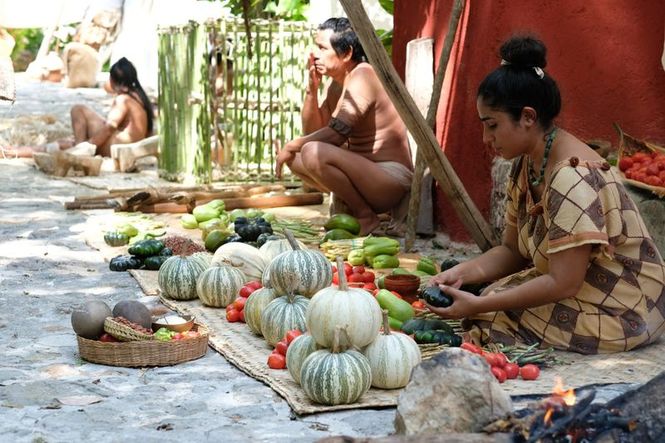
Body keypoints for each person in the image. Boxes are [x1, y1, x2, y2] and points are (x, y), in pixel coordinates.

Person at [427, 35, 665, 354]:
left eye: (492, 125)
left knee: (488, 318)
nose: (486, 138)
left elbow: (564, 283)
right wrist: (460, 273)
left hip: (624, 311)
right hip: (578, 291)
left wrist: (476, 305)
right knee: (488, 299)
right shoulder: (526, 163)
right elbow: (511, 251)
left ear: (528, 117)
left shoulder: (571, 176)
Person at [275, 17, 413, 236]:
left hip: (389, 181)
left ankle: (365, 217)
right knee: (297, 157)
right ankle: (361, 210)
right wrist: (311, 91)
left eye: (322, 47)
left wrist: (292, 144)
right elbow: (313, 132)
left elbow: (335, 136)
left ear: (347, 53)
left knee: (311, 151)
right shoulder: (336, 86)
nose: (315, 54)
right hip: (364, 177)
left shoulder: (363, 74)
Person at [5, 57, 152, 158]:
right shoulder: (139, 96)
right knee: (65, 143)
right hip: (129, 146)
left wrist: (87, 146)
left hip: (118, 147)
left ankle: (78, 147)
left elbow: (110, 127)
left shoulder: (123, 100)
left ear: (113, 79)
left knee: (78, 110)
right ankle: (16, 152)